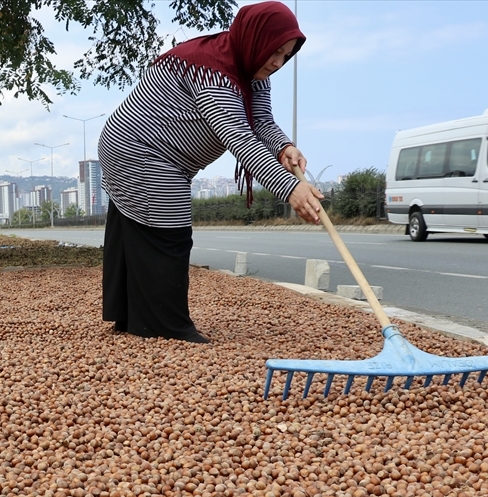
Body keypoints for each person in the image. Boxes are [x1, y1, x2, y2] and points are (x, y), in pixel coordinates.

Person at [98, 0, 324, 342]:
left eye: (286, 55)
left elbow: (260, 121)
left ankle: (134, 319)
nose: (278, 62)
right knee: (169, 233)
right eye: (274, 51)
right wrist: (290, 189)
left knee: (138, 232)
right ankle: (164, 328)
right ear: (255, 39)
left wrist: (283, 147)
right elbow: (239, 138)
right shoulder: (212, 71)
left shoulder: (252, 70)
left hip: (165, 158)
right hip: (140, 151)